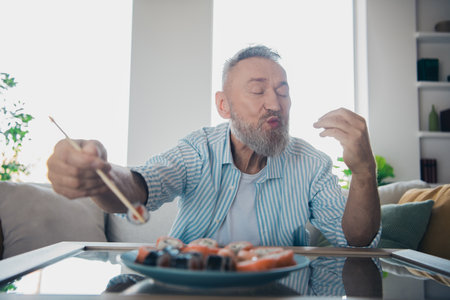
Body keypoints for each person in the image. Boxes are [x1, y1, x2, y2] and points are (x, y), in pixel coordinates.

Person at [47, 45, 381, 247]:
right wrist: (99, 174)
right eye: (258, 90)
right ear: (224, 106)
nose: (275, 104)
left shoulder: (312, 164)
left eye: (282, 91)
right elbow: (139, 186)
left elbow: (355, 240)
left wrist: (364, 171)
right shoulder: (197, 150)